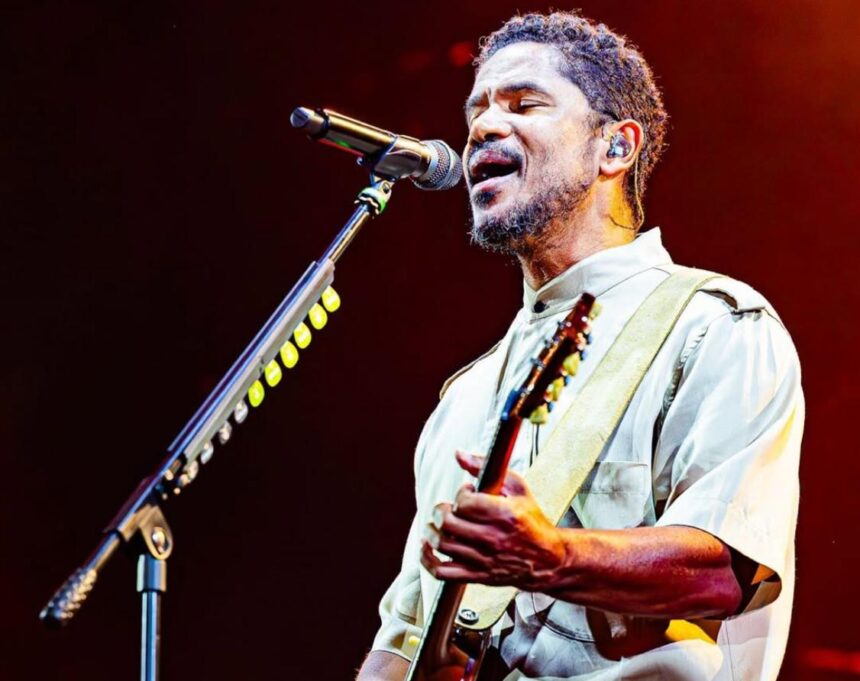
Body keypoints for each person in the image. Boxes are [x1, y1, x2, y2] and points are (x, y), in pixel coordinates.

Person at [357, 11, 803, 681]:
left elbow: (727, 571)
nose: (482, 127)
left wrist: (552, 556)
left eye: (524, 104)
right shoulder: (463, 400)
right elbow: (405, 637)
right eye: (477, 110)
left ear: (615, 148)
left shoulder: (714, 327)